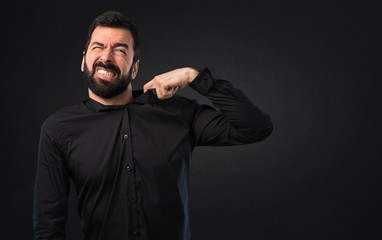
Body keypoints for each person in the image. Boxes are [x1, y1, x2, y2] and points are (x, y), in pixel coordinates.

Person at [33, 10, 273, 240]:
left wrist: (195, 77)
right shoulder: (59, 129)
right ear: (84, 60)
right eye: (98, 47)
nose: (106, 57)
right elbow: (48, 222)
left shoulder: (177, 112)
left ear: (134, 68)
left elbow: (256, 127)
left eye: (120, 50)